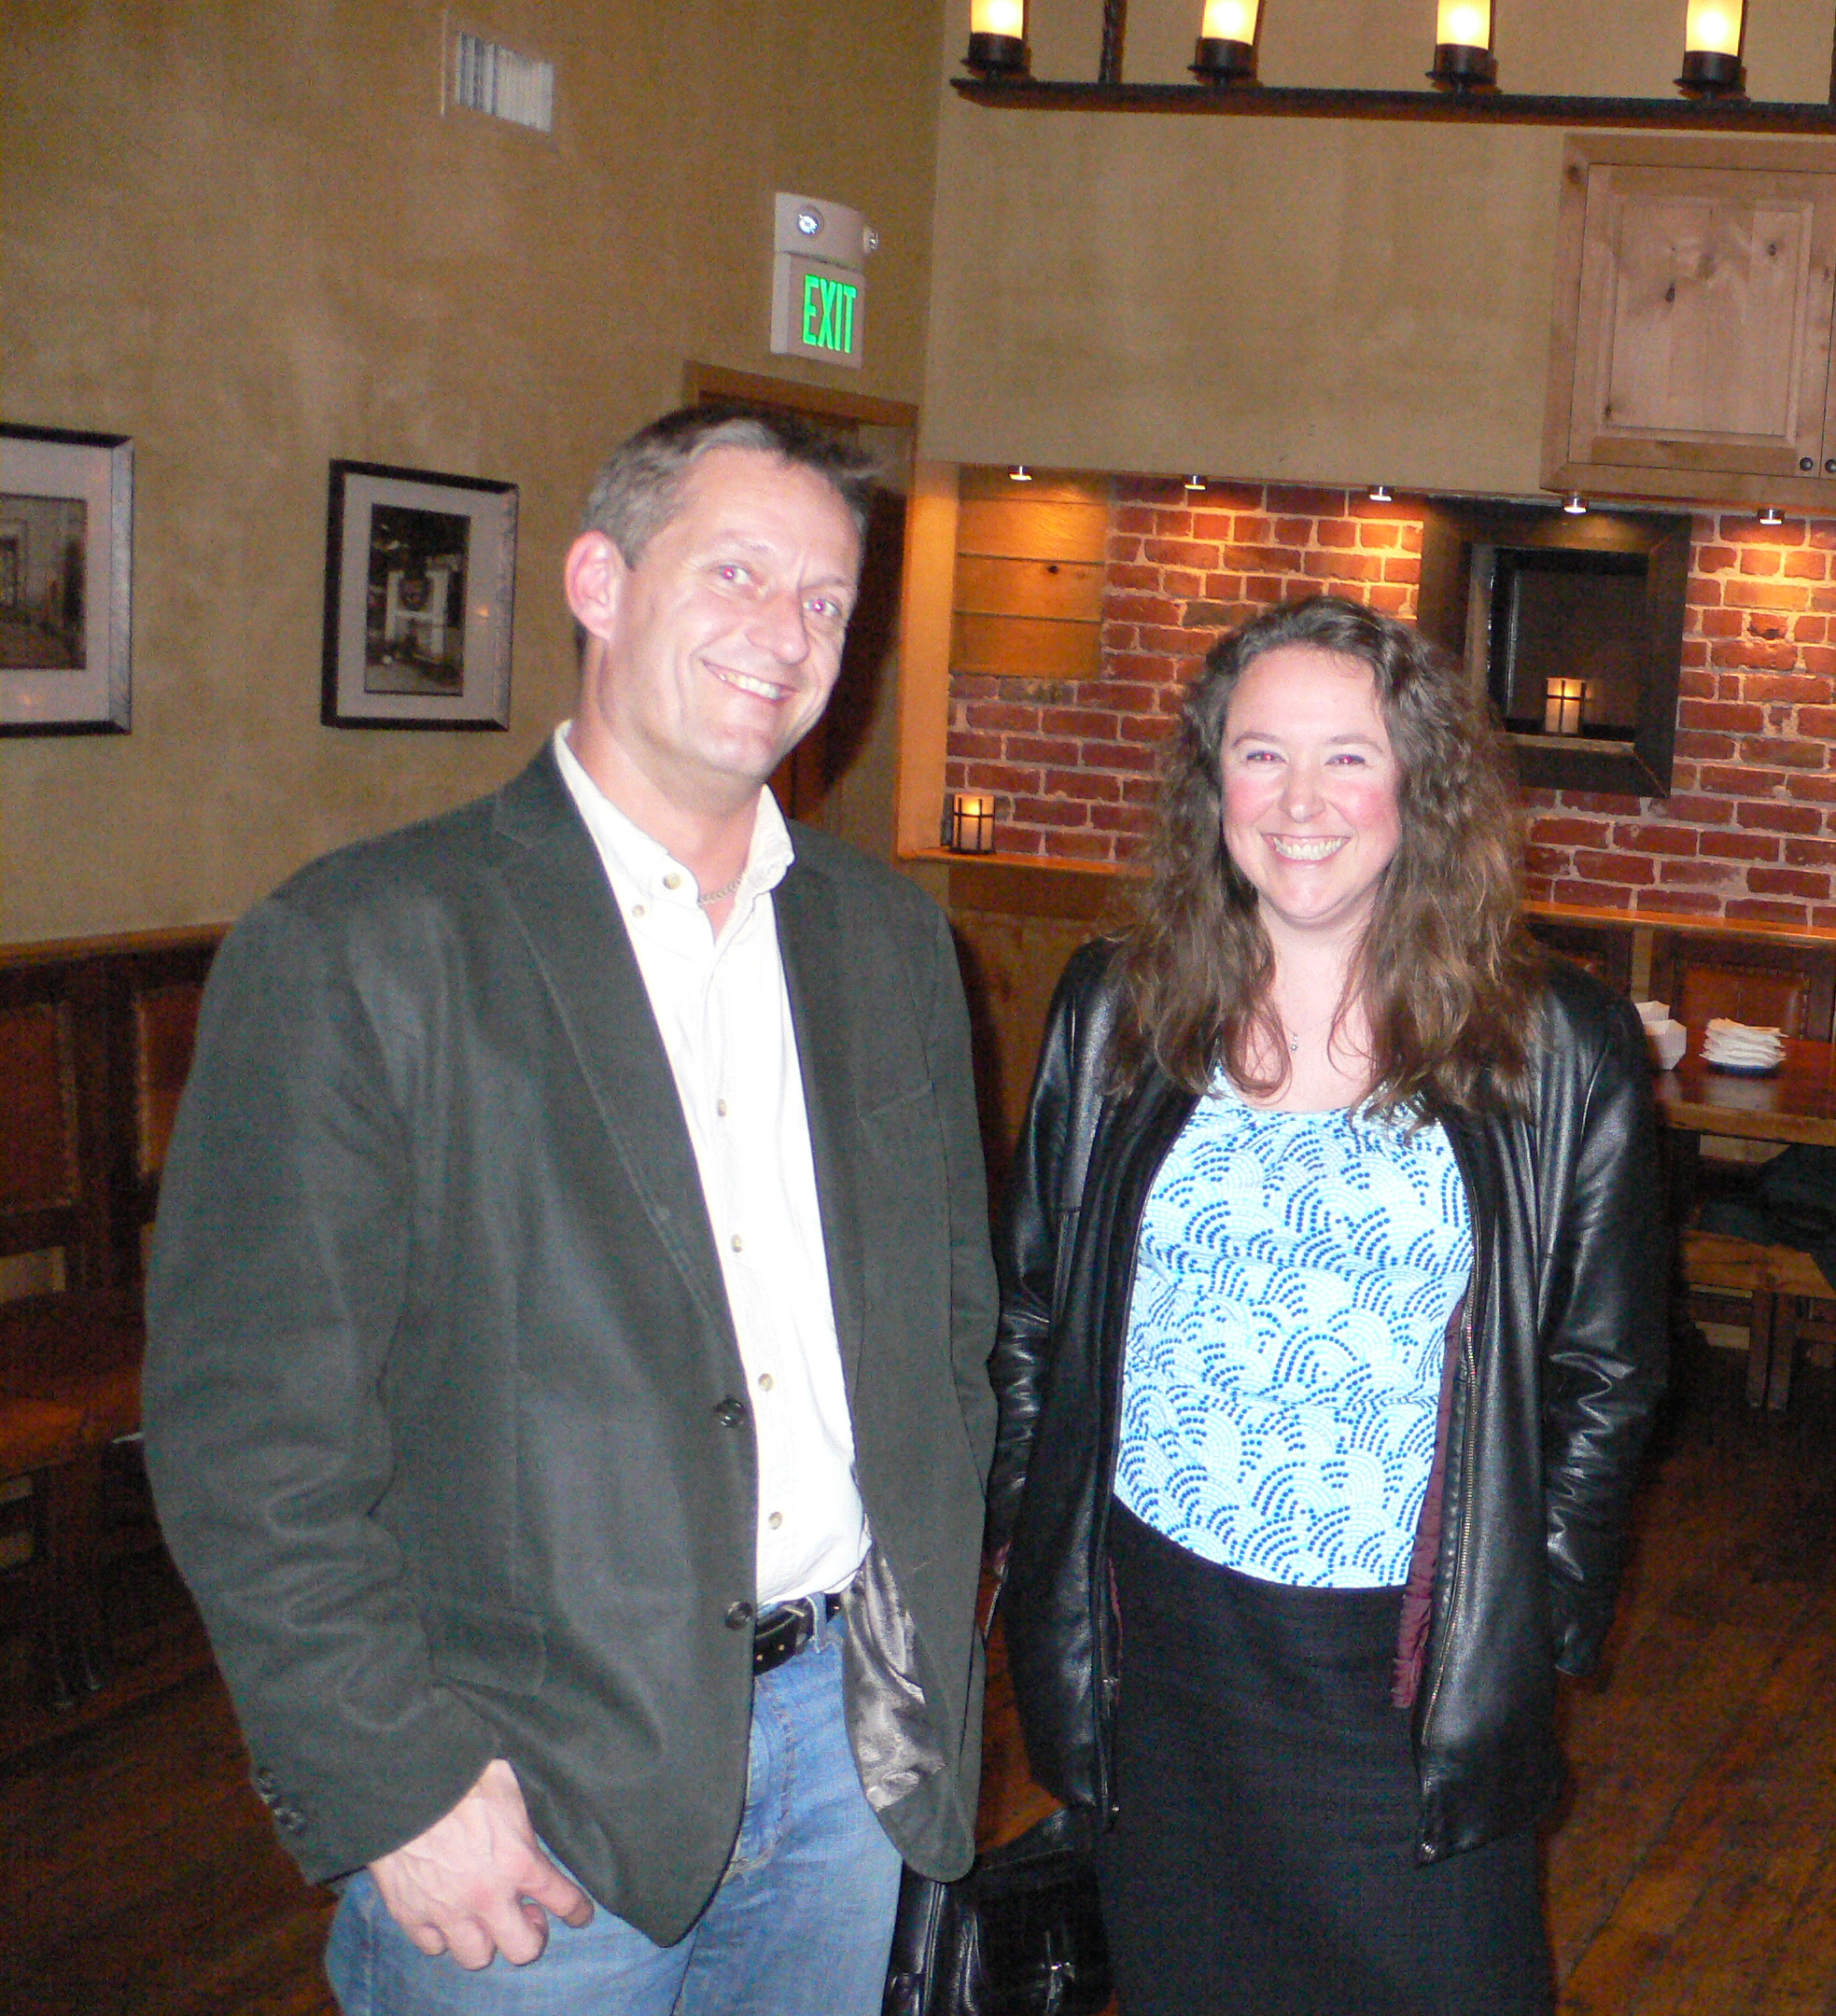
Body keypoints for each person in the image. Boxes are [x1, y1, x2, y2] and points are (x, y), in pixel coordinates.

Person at [142, 406, 997, 2014]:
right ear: (599, 582)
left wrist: (929, 1639)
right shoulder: (366, 946)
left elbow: (951, 1330)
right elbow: (248, 1434)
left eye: (826, 600)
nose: (786, 633)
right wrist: (391, 1780)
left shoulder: (890, 945)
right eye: (736, 572)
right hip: (526, 1795)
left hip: (851, 1756)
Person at [986, 595, 1668, 2014]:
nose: (1301, 803)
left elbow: (1607, 1377)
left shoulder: (1556, 1045)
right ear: (1212, 784)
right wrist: (1023, 1547)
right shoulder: (1114, 1011)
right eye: (1262, 755)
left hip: (1403, 1676)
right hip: (1162, 1660)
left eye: (1348, 757)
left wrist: (1526, 1623)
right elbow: (1033, 1312)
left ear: (1419, 785)